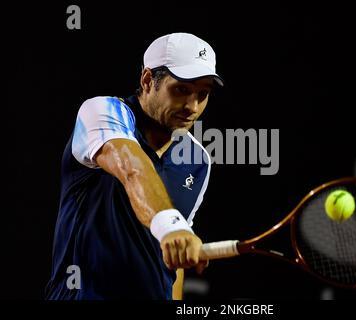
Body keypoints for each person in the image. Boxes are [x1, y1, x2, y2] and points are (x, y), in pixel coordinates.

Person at [45, 32, 223, 300]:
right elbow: (131, 168)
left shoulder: (198, 161)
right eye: (181, 89)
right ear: (148, 79)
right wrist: (171, 225)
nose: (192, 106)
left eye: (203, 94)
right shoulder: (102, 111)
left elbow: (172, 258)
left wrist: (177, 234)